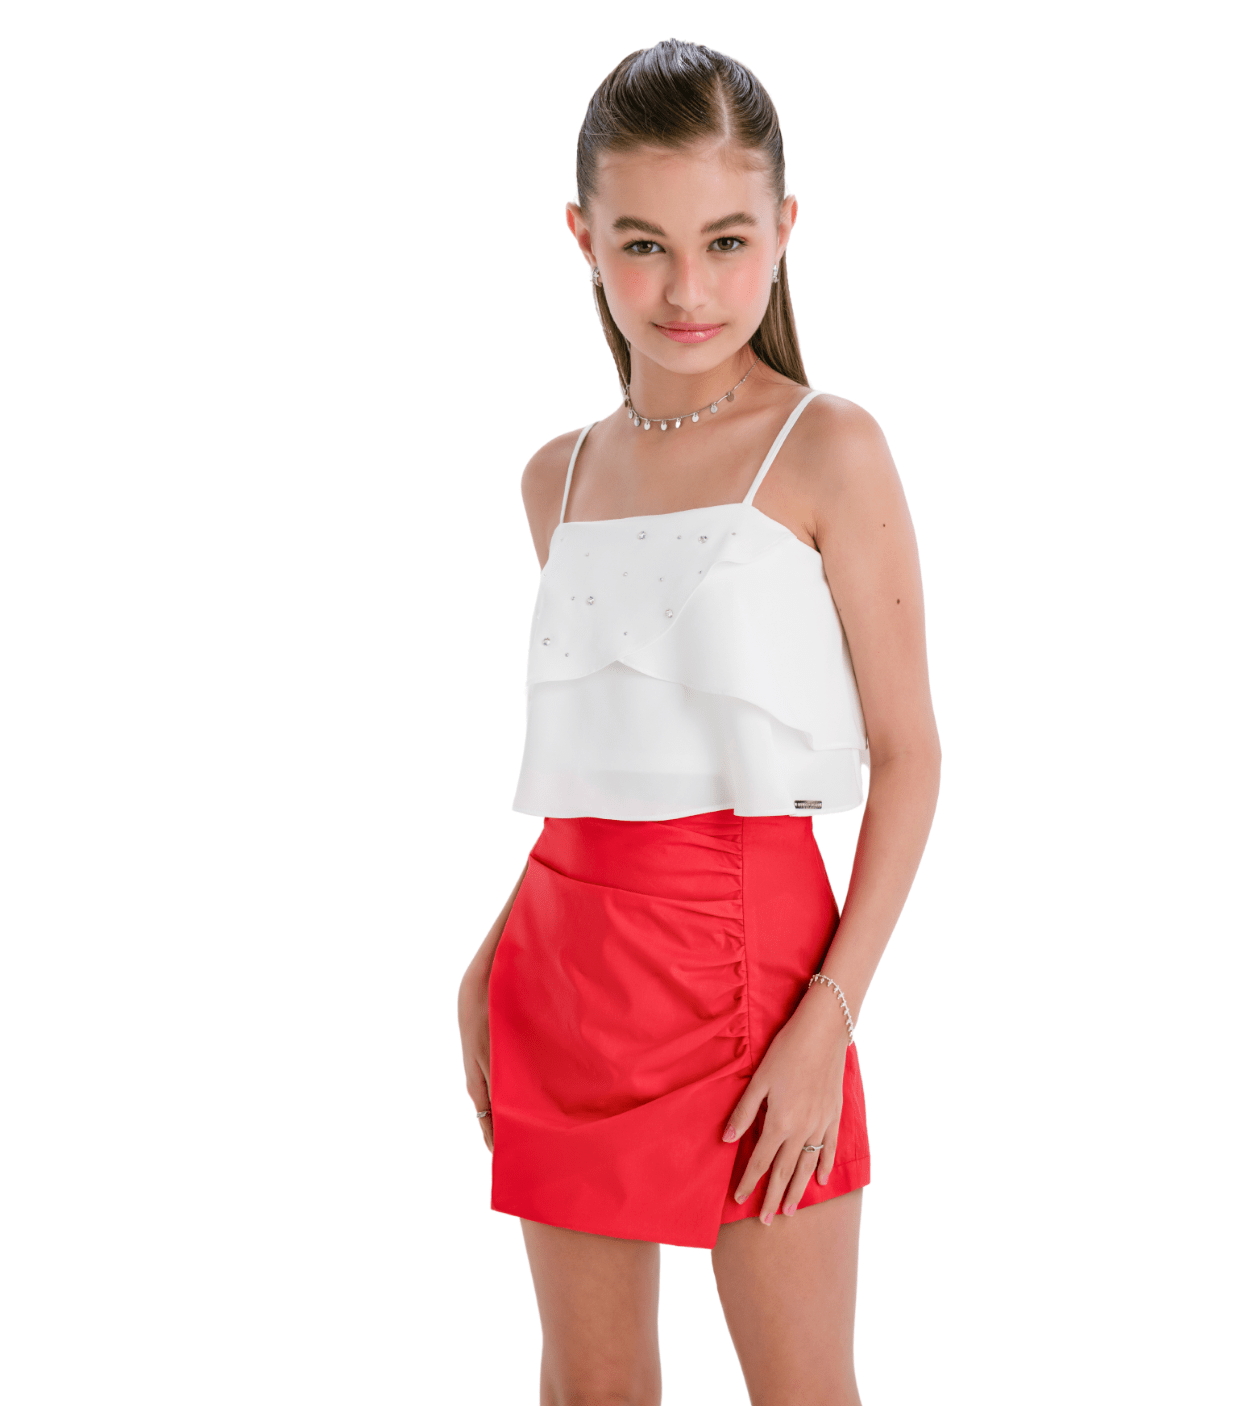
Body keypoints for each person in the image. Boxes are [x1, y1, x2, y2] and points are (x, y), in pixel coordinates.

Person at [458, 39, 940, 1406]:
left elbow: (910, 757)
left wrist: (825, 1022)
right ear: (582, 237)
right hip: (562, 969)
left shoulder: (829, 447)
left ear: (784, 229)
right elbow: (612, 765)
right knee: (590, 1389)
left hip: (761, 975)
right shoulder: (556, 477)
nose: (686, 290)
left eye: (726, 241)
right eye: (643, 244)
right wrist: (488, 960)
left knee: (803, 1389)